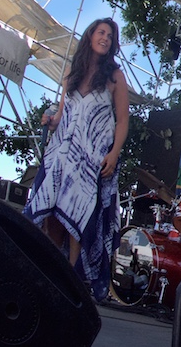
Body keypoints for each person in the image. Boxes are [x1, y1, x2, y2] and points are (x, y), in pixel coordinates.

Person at [24, 18, 130, 300]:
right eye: (101, 32)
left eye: (110, 35)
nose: (105, 37)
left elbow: (122, 121)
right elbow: (62, 116)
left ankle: (70, 284)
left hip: (91, 159)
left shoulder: (115, 77)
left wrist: (114, 152)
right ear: (90, 36)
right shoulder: (72, 72)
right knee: (52, 219)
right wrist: (51, 121)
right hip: (61, 155)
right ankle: (47, 277)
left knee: (80, 219)